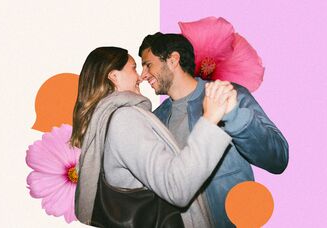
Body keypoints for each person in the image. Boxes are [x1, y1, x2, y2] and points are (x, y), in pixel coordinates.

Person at [70, 46, 238, 227]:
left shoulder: (105, 121)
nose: (141, 77)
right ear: (114, 77)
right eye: (134, 68)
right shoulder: (124, 118)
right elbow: (177, 187)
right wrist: (210, 118)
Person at [138, 32, 289, 227]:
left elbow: (278, 159)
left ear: (173, 60)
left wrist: (233, 115)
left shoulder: (228, 95)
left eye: (148, 64)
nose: (143, 75)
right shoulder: (156, 119)